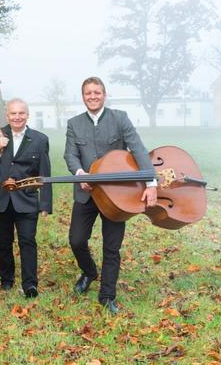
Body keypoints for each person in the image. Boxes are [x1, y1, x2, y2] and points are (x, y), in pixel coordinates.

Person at [64, 76, 157, 315]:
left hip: (118, 195)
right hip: (87, 193)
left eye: (97, 92)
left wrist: (151, 182)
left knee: (111, 247)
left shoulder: (120, 118)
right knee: (76, 240)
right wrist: (79, 172)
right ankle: (89, 272)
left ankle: (107, 295)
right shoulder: (74, 123)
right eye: (88, 93)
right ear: (83, 96)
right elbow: (70, 155)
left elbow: (138, 149)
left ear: (104, 95)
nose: (92, 96)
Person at [0, 98, 51, 298]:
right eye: (13, 113)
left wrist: (45, 203)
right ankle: (6, 280)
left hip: (26, 199)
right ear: (7, 115)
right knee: (3, 242)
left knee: (28, 241)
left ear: (27, 115)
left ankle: (30, 284)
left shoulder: (40, 139)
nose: (17, 117)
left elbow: (45, 173)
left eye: (21, 113)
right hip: (0, 199)